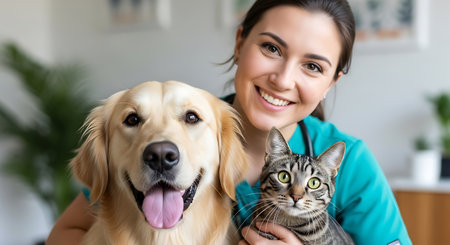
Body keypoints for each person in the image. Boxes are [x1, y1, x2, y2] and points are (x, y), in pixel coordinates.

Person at [47, 0, 412, 244]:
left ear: (331, 82)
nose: (283, 80)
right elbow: (70, 229)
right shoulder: (171, 135)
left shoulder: (353, 165)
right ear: (240, 43)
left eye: (313, 66)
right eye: (271, 48)